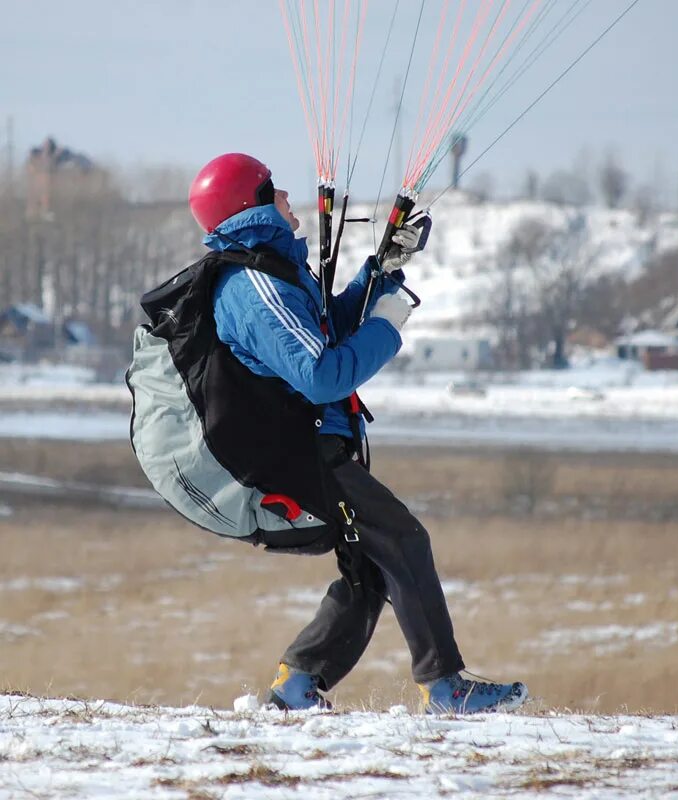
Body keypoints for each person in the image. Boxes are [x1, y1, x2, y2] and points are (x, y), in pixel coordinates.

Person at [187, 152, 528, 714]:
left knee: (370, 566)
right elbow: (322, 374)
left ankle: (297, 685)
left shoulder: (271, 271)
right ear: (252, 205)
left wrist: (382, 270)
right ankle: (446, 688)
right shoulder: (252, 285)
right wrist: (386, 330)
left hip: (315, 445)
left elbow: (328, 327)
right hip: (301, 453)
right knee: (402, 539)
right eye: (276, 190)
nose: (287, 199)